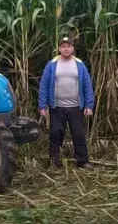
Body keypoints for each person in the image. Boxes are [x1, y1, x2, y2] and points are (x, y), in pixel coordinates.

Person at [37, 36, 95, 169]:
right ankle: (54, 162)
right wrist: (42, 106)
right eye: (63, 46)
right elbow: (44, 86)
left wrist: (89, 105)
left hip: (76, 107)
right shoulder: (52, 64)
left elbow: (87, 85)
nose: (66, 49)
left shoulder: (79, 64)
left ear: (73, 48)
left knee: (78, 134)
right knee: (55, 134)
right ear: (59, 48)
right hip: (57, 107)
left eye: (68, 46)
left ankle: (82, 161)